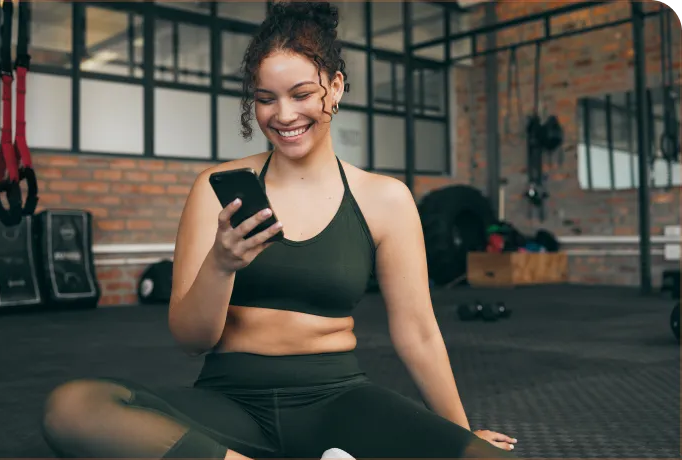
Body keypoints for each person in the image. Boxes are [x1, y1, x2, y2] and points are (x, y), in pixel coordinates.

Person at [40, 2, 519, 459]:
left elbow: (417, 332)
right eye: (266, 99)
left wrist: (459, 433)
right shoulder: (213, 188)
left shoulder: (385, 199)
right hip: (229, 404)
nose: (284, 115)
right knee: (73, 408)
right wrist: (221, 264)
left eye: (302, 94)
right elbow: (191, 339)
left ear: (335, 87)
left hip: (337, 401)